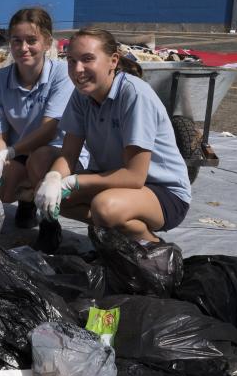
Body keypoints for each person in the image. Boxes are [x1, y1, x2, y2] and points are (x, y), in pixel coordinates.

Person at [34, 27, 191, 244]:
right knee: (51, 196)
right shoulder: (81, 96)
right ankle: (111, 237)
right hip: (115, 183)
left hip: (163, 192)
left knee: (105, 207)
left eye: (88, 59)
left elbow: (134, 177)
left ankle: (154, 254)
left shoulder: (134, 95)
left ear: (113, 61)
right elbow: (69, 154)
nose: (78, 69)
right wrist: (52, 179)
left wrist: (72, 182)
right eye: (71, 60)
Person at [0, 7, 87, 228]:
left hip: (58, 152)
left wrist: (10, 152)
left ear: (47, 43)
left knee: (40, 158)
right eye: (16, 41)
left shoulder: (61, 75)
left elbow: (49, 130)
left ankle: (49, 221)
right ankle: (27, 200)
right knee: (2, 188)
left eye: (31, 40)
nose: (23, 48)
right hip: (20, 152)